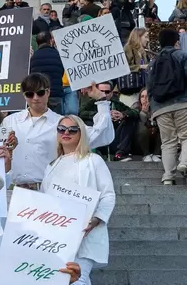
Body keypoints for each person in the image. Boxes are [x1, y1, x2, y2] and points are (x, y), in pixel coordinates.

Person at [3, 73, 114, 285]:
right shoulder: (10, 122)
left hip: (48, 194)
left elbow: (95, 135)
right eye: (29, 94)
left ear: (48, 92)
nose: (35, 98)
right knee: (19, 255)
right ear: (24, 95)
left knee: (47, 257)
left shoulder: (59, 123)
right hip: (14, 190)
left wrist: (102, 104)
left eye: (40, 92)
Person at [42, 115, 118, 285]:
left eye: (72, 129)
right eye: (61, 129)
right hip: (59, 237)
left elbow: (107, 194)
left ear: (81, 133)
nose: (66, 133)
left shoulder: (93, 160)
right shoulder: (52, 164)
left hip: (85, 235)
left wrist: (96, 219)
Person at [147, 28, 187, 185]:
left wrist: (153, 109)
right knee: (185, 136)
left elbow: (149, 87)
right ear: (176, 41)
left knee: (168, 141)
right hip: (182, 103)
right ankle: (184, 162)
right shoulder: (182, 56)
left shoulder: (153, 63)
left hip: (160, 107)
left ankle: (168, 176)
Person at [79, 81, 138, 162]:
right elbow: (81, 113)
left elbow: (134, 112)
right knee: (87, 122)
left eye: (107, 92)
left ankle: (120, 154)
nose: (104, 94)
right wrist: (102, 115)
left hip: (115, 138)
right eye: (101, 91)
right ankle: (96, 153)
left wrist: (122, 115)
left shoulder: (116, 103)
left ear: (111, 93)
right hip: (98, 140)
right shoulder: (91, 103)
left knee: (130, 120)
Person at [29, 31, 65, 112]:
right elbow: (61, 72)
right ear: (50, 41)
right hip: (56, 93)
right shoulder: (57, 54)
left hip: (39, 95)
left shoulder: (33, 57)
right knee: (56, 121)